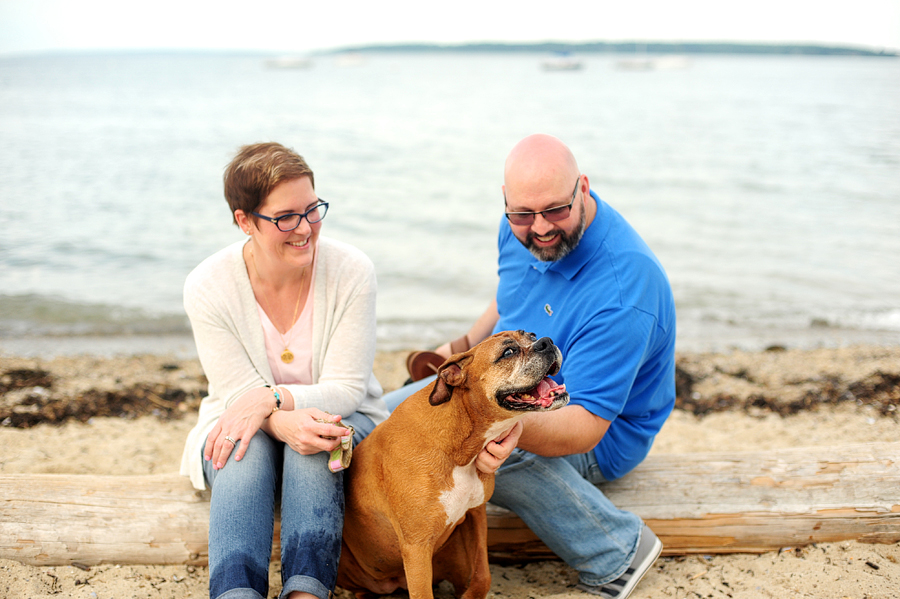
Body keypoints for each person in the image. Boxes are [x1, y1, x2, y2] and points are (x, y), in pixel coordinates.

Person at [384, 134, 676, 598]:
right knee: (382, 419)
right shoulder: (518, 228)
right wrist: (456, 348)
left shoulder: (624, 291)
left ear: (584, 187)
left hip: (599, 429)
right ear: (507, 203)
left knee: (483, 440)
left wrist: (498, 423)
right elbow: (509, 302)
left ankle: (617, 549)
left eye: (555, 211)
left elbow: (585, 426)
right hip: (519, 381)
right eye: (522, 214)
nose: (539, 228)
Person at [179, 142, 389, 599]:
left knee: (318, 438)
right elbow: (240, 398)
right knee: (240, 444)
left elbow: (348, 388)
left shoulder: (352, 271)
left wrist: (271, 400)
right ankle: (236, 593)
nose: (306, 228)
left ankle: (306, 594)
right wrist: (273, 413)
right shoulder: (207, 286)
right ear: (244, 221)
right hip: (241, 426)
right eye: (286, 217)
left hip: (348, 418)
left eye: (313, 209)